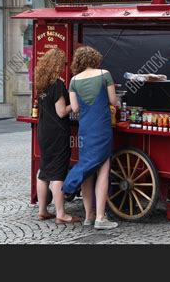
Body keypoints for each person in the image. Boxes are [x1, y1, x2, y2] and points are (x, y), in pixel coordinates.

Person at [63, 46, 118, 230]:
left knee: (87, 170)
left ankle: (88, 216)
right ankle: (101, 218)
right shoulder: (105, 75)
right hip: (102, 127)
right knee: (103, 169)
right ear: (95, 58)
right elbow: (112, 100)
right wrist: (117, 102)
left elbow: (75, 108)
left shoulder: (73, 81)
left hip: (85, 129)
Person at [35, 49, 80, 224]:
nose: (63, 67)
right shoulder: (58, 85)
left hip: (44, 131)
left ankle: (42, 210)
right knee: (58, 172)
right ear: (56, 65)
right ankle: (61, 213)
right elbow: (61, 112)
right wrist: (75, 104)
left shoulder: (41, 84)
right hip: (57, 133)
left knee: (44, 171)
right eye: (62, 64)